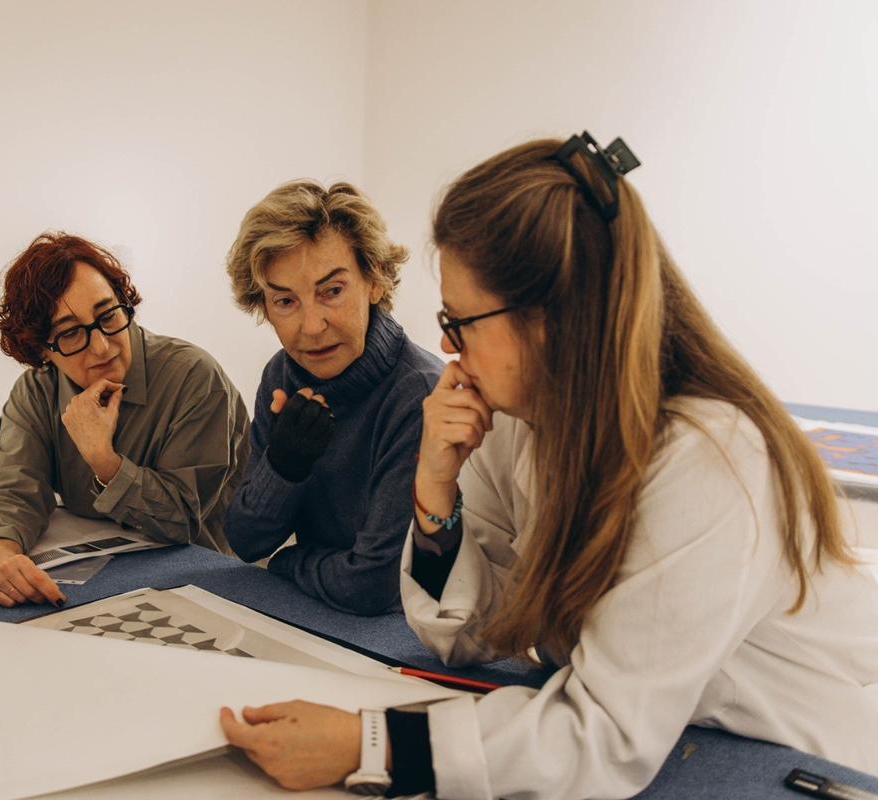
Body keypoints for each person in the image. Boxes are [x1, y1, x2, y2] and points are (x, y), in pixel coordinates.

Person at [219, 135, 878, 796]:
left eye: (461, 319)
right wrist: (435, 486)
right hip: (671, 736)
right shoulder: (517, 421)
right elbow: (463, 635)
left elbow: (605, 735)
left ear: (548, 317)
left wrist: (370, 744)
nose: (446, 343)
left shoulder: (708, 457)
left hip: (789, 758)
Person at [0, 232, 250, 608]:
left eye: (108, 316)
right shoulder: (39, 389)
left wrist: (105, 462)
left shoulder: (194, 377)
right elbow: (6, 487)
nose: (102, 346)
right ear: (42, 351)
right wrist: (1, 557)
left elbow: (182, 521)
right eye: (69, 334)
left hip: (205, 585)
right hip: (99, 582)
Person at [222, 180, 442, 615]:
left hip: (409, 634)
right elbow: (245, 541)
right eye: (285, 301)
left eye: (332, 291)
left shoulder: (419, 394)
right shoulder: (282, 373)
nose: (312, 326)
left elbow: (376, 585)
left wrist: (286, 560)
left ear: (374, 280)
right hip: (320, 609)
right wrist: (284, 468)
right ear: (263, 307)